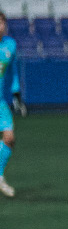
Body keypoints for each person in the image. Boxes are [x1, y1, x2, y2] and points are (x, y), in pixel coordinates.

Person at [0, 12, 20, 197]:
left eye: (1, 23)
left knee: (9, 138)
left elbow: (13, 71)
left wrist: (16, 92)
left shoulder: (10, 45)